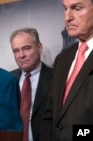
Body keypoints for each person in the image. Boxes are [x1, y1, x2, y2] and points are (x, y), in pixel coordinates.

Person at [41, 0, 93, 141]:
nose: (67, 17)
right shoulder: (62, 58)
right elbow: (49, 115)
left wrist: (74, 135)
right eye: (65, 9)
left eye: (77, 8)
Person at [10, 27, 52, 141]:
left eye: (26, 48)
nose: (21, 55)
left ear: (39, 48)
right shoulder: (7, 79)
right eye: (16, 51)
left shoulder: (56, 78)